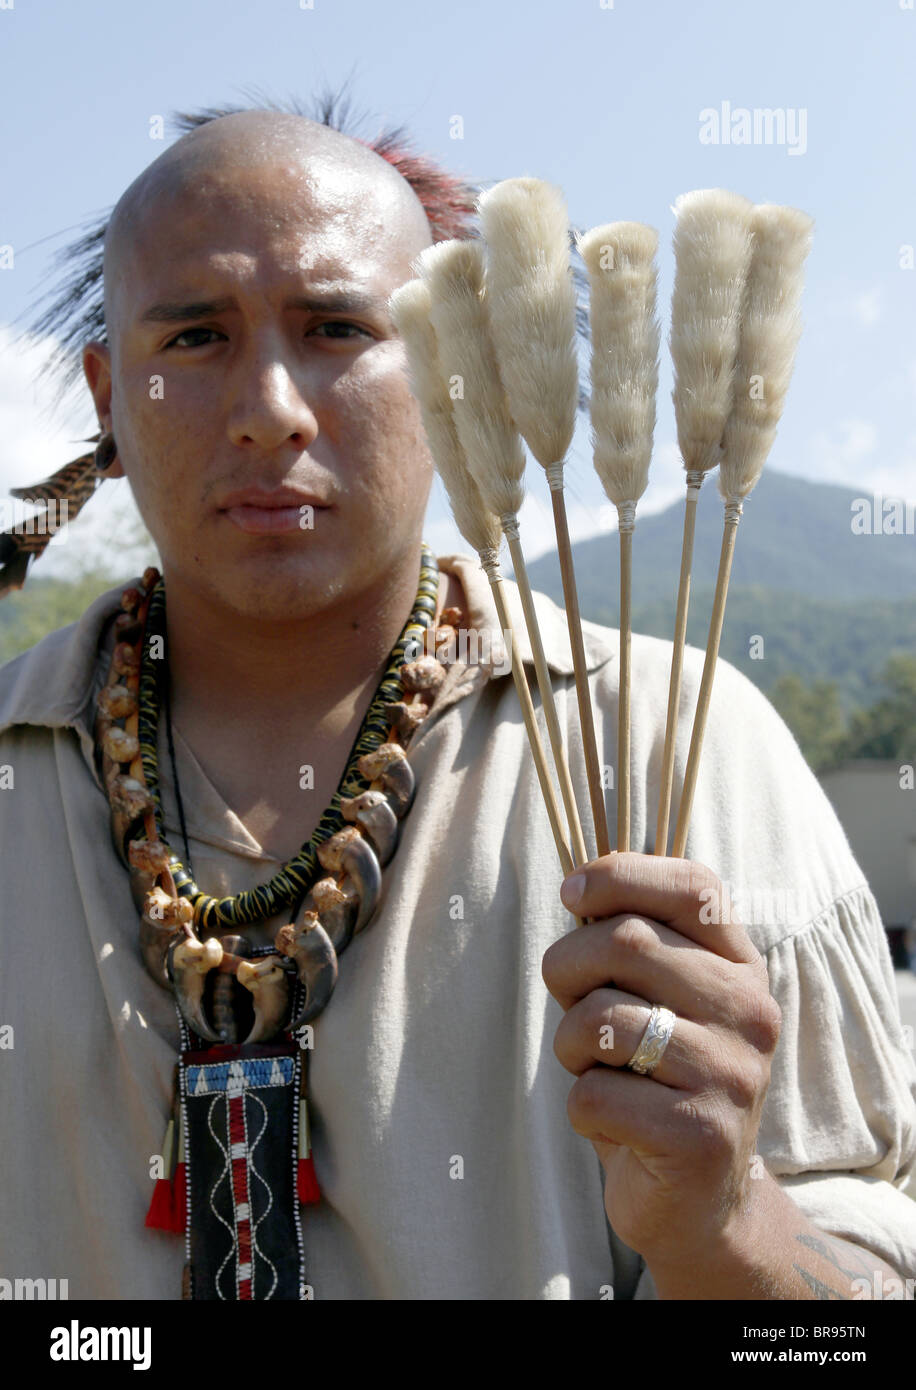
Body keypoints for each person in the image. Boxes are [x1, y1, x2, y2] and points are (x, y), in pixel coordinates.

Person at [1, 98, 914, 1302]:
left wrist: (723, 1224)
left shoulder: (674, 748)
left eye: (336, 326)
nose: (270, 404)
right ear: (110, 395)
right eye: (194, 338)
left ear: (452, 370)